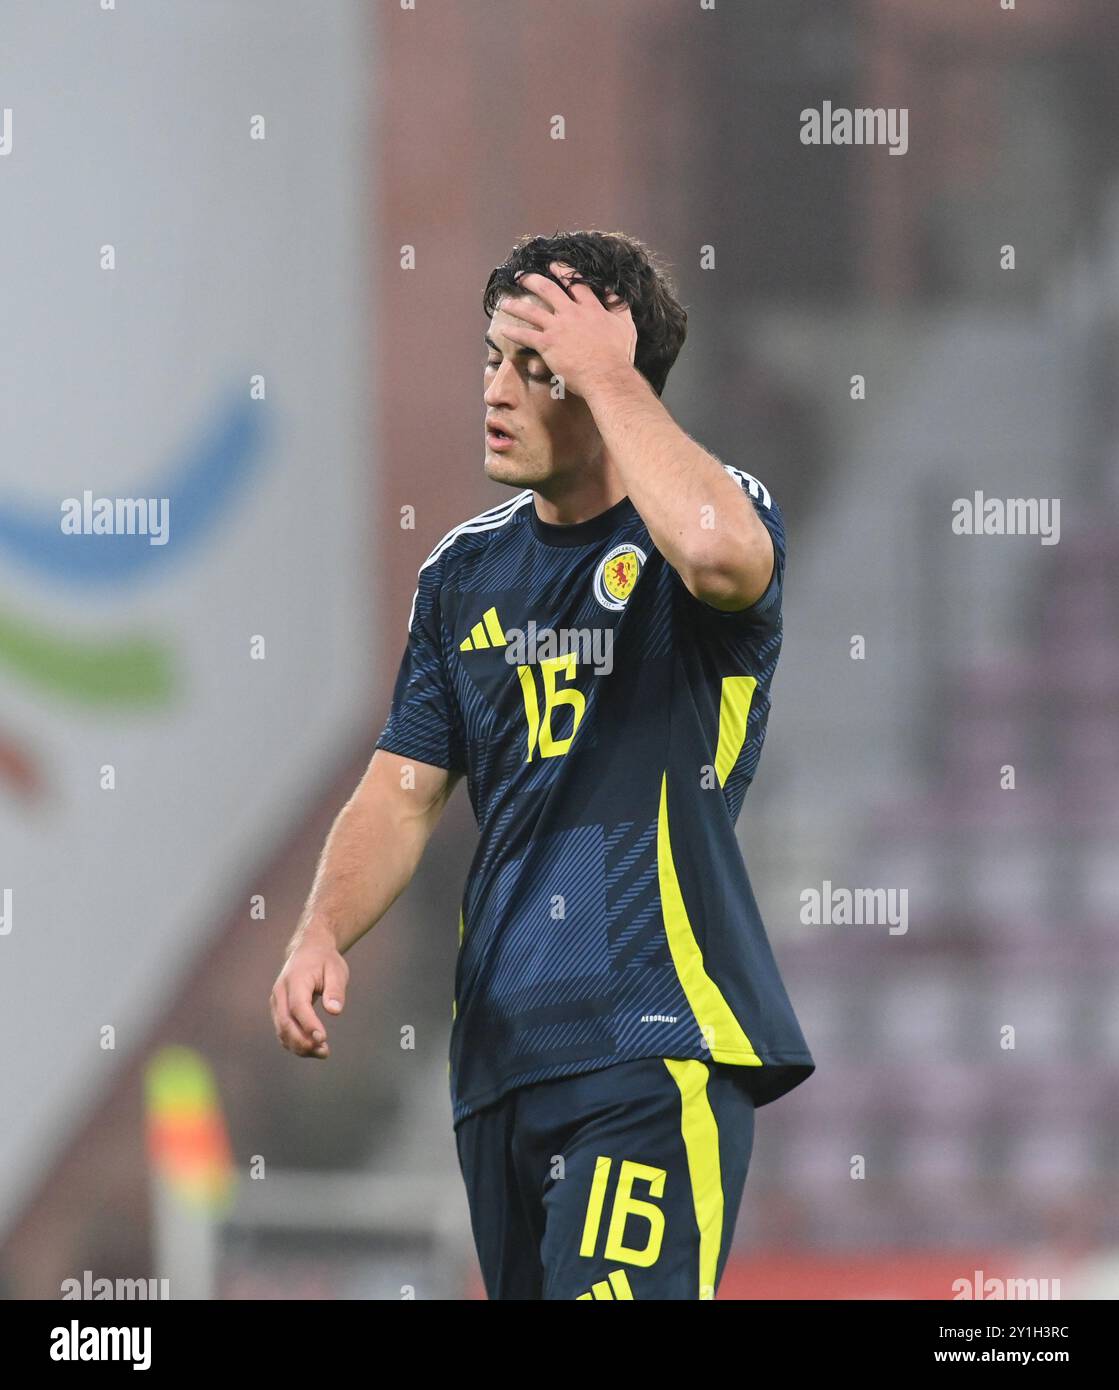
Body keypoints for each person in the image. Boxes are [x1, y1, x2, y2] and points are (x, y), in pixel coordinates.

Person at [270, 230, 814, 1300]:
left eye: (536, 365)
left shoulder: (704, 524)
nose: (497, 390)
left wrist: (607, 369)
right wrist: (320, 927)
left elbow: (721, 554)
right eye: (491, 358)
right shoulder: (464, 574)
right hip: (500, 1068)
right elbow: (404, 788)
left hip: (651, 1040)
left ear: (614, 380)